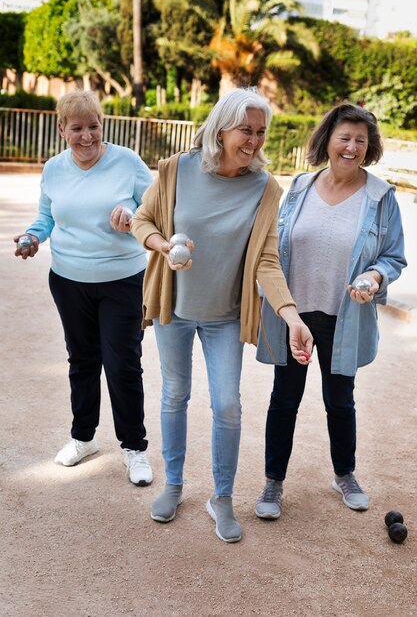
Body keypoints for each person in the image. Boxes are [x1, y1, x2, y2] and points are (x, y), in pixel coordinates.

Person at [130, 87, 313, 543]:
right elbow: (142, 221)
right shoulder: (177, 168)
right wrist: (164, 246)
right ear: (221, 128)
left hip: (225, 316)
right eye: (245, 130)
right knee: (174, 395)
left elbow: (267, 260)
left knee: (227, 406)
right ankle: (173, 485)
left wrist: (292, 318)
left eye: (260, 133)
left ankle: (222, 497)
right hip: (176, 307)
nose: (253, 141)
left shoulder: (266, 187)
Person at [255, 103, 407, 519]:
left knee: (340, 400)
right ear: (328, 140)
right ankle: (273, 483)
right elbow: (272, 248)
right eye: (345, 137)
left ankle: (345, 474)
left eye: (361, 140)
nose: (352, 147)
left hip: (345, 318)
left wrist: (374, 278)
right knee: (283, 399)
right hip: (294, 315)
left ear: (369, 146)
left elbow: (393, 256)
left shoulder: (380, 198)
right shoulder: (300, 188)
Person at [14, 90, 154, 486]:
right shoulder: (54, 168)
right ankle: (83, 437)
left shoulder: (126, 161)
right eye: (77, 128)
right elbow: (46, 217)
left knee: (122, 364)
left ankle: (134, 448)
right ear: (62, 130)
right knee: (82, 361)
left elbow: (157, 207)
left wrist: (133, 215)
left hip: (122, 281)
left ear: (101, 124)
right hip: (69, 281)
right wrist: (32, 236)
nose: (87, 136)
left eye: (93, 126)